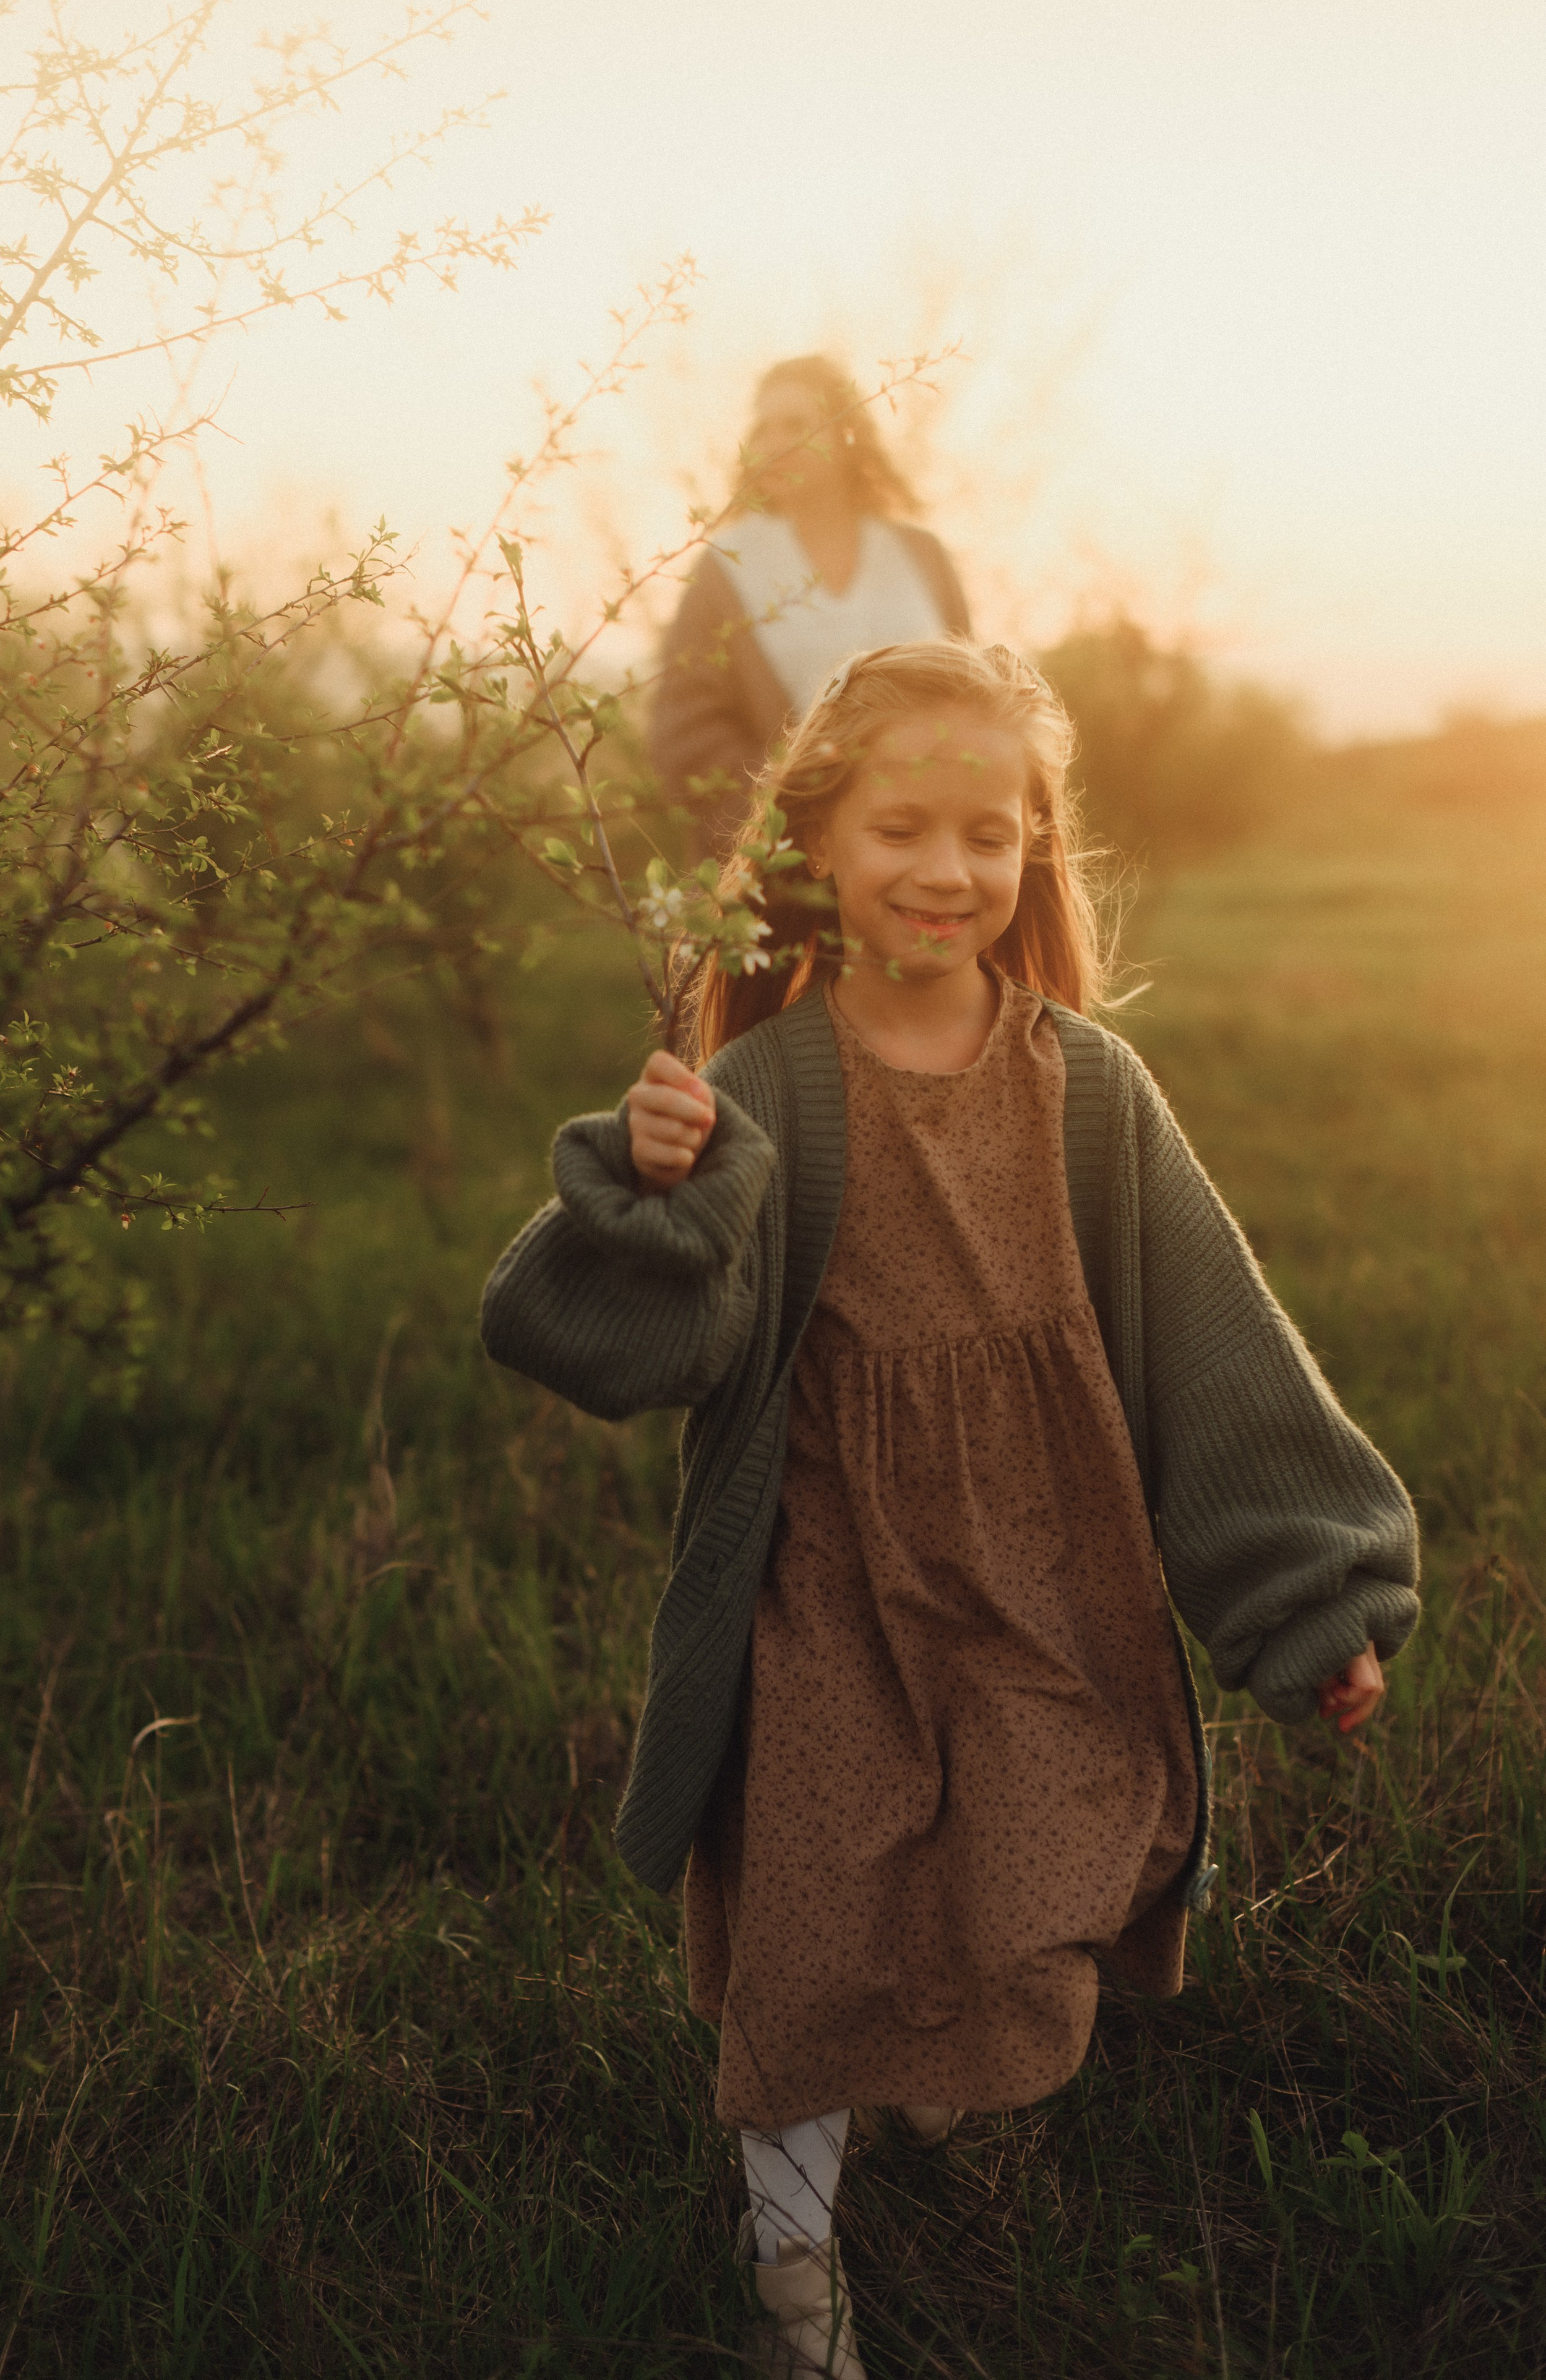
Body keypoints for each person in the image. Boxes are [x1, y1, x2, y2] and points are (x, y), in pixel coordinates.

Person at [481, 640, 1419, 2378]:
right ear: (818, 846)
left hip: (1054, 1575)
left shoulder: (1092, 1094)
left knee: (1034, 1868)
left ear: (1033, 850)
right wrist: (647, 1185)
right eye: (902, 826)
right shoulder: (766, 1092)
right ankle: (791, 2269)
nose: (945, 870)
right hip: (825, 1579)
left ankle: (939, 2059)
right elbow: (624, 1351)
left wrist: (1315, 1604)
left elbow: (1216, 1360)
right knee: (818, 1920)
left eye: (987, 834)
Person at [649, 356, 971, 859]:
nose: (776, 444)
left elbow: (974, 695)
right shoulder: (727, 568)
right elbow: (686, 729)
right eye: (762, 429)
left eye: (797, 425)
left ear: (846, 436)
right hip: (792, 852)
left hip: (927, 842)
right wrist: (796, 802)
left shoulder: (920, 556)